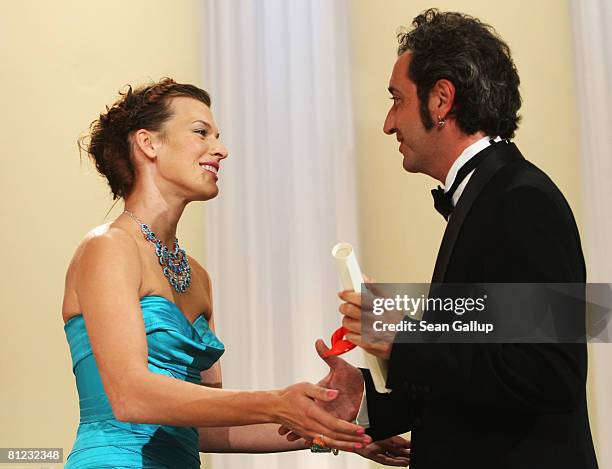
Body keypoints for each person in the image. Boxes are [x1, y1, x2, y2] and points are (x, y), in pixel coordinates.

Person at [284, 8, 599, 469]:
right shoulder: (494, 195)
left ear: (441, 100)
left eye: (397, 100)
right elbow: (486, 373)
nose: (389, 123)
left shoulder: (523, 199)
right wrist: (367, 407)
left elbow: (551, 375)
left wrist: (402, 339)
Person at [62, 78, 384, 468]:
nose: (221, 150)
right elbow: (131, 396)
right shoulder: (108, 246)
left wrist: (327, 425)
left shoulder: (197, 276)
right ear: (148, 143)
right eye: (201, 133)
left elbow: (207, 427)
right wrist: (275, 402)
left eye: (218, 136)